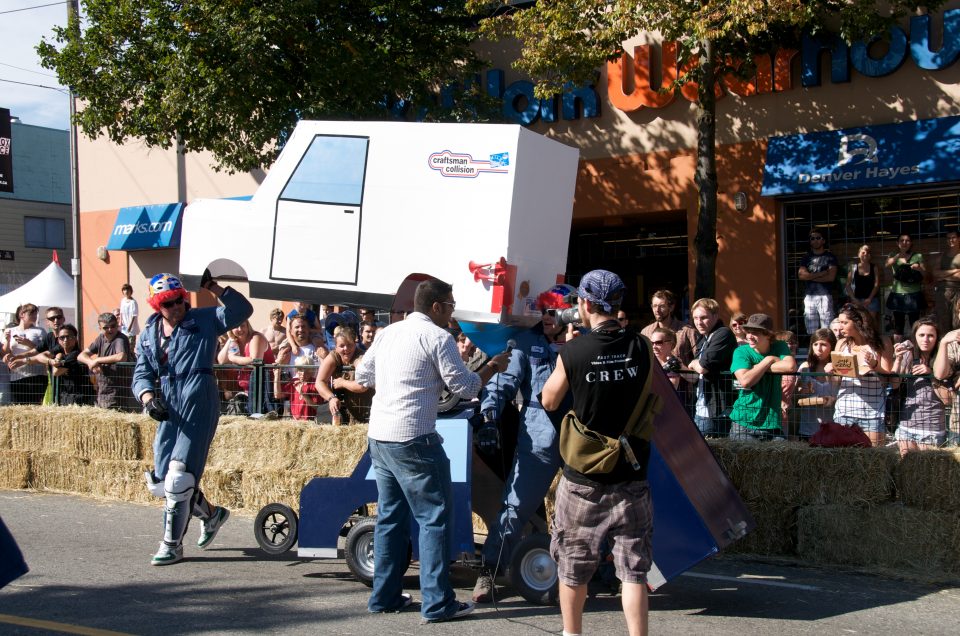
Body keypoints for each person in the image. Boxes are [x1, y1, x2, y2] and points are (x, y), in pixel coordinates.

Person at [354, 277, 509, 622]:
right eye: (451, 306)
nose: (452, 314)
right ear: (436, 306)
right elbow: (466, 387)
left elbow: (363, 375)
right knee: (434, 518)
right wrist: (493, 367)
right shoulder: (439, 337)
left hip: (380, 436)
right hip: (415, 438)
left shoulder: (387, 333)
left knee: (390, 518)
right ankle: (438, 603)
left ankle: (385, 596)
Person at [540, 269, 654, 636]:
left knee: (573, 566)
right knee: (633, 570)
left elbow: (549, 399)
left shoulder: (574, 351)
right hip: (632, 470)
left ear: (586, 304)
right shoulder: (642, 346)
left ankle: (572, 634)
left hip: (584, 478)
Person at [133, 271, 253, 566]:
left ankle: (171, 545)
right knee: (161, 483)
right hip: (168, 403)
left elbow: (242, 310)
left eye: (179, 301)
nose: (176, 307)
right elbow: (141, 374)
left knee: (179, 478)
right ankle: (212, 515)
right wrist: (149, 400)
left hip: (199, 396)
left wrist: (211, 287)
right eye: (168, 303)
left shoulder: (203, 318)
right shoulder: (149, 335)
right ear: (157, 305)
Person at [472, 284, 573, 603]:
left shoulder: (585, 343)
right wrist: (488, 417)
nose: (547, 317)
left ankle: (597, 571)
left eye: (554, 311)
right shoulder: (526, 343)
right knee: (514, 509)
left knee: (592, 511)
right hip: (538, 442)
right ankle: (489, 571)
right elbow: (502, 383)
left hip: (583, 442)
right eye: (542, 310)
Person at [831, 303, 894, 447]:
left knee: (874, 458)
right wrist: (832, 370)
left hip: (872, 410)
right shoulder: (841, 344)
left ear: (859, 323)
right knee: (843, 456)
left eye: (844, 323)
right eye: (839, 322)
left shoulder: (882, 341)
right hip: (845, 409)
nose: (840, 327)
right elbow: (836, 381)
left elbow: (888, 371)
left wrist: (873, 364)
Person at [728, 315, 797, 441]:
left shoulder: (779, 346)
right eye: (748, 332)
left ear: (768, 335)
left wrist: (755, 368)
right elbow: (745, 381)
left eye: (754, 333)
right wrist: (768, 360)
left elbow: (791, 367)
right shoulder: (741, 352)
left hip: (773, 422)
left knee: (779, 458)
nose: (749, 336)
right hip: (745, 422)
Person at [892, 318, 950, 456]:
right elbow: (894, 384)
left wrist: (931, 374)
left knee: (926, 473)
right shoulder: (909, 355)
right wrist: (898, 359)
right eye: (921, 335)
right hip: (906, 424)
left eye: (930, 336)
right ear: (915, 337)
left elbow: (947, 400)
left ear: (937, 338)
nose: (926, 339)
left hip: (932, 427)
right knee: (906, 470)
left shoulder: (942, 359)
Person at [687, 298, 738, 436]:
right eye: (695, 318)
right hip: (700, 408)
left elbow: (703, 367)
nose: (698, 322)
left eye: (703, 317)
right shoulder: (704, 337)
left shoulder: (723, 333)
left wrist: (692, 363)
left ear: (715, 316)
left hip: (718, 411)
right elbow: (695, 377)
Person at [218, 319, 276, 415]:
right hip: (247, 391)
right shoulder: (235, 341)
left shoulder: (256, 337)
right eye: (236, 326)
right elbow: (221, 360)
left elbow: (255, 360)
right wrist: (231, 339)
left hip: (265, 389)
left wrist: (233, 358)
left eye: (243, 325)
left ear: (248, 325)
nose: (240, 329)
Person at [315, 325, 371, 425]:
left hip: (364, 413)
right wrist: (331, 398)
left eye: (349, 345)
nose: (346, 349)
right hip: (343, 414)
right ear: (336, 347)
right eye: (342, 346)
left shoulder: (360, 356)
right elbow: (319, 382)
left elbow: (362, 386)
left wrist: (343, 382)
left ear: (355, 344)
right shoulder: (334, 355)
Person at [78, 312, 133, 410]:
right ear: (99, 328)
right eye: (106, 328)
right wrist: (91, 362)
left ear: (117, 325)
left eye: (113, 326)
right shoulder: (100, 338)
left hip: (118, 391)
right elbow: (81, 356)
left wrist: (98, 360)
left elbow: (121, 356)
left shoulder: (121, 338)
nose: (110, 330)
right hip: (102, 389)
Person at [35, 323, 93, 406]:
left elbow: (56, 372)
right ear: (58, 340)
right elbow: (39, 356)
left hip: (80, 397)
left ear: (75, 339)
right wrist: (50, 361)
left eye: (69, 337)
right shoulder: (59, 349)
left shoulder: (75, 354)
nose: (65, 340)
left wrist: (58, 357)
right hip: (65, 395)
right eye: (62, 337)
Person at [796, 328, 837, 439]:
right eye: (815, 344)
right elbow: (796, 396)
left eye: (823, 344)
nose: (819, 349)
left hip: (833, 428)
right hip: (808, 429)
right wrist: (802, 391)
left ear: (832, 346)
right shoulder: (805, 367)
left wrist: (833, 399)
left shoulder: (838, 368)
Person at [2, 304, 47, 404]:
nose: (35, 316)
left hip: (36, 374)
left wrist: (28, 343)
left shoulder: (40, 331)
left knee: (34, 405)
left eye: (36, 314)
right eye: (32, 313)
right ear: (22, 314)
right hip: (16, 375)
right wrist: (7, 341)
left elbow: (45, 351)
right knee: (19, 406)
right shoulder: (10, 330)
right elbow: (5, 353)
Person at [885, 233, 926, 340]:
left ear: (911, 243)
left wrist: (919, 268)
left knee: (915, 324)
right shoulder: (893, 254)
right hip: (898, 294)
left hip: (914, 294)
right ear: (897, 243)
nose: (904, 243)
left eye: (907, 240)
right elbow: (887, 264)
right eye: (902, 240)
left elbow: (926, 273)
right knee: (898, 325)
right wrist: (898, 256)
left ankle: (916, 351)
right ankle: (898, 351)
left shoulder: (918, 256)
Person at [639, 290, 696, 365]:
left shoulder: (688, 331)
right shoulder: (646, 332)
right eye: (654, 306)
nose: (657, 310)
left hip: (681, 375)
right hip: (656, 375)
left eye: (662, 306)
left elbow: (698, 359)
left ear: (671, 307)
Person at [798, 231, 839, 335]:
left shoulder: (830, 257)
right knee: (811, 327)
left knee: (827, 327)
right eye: (812, 238)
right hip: (809, 296)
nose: (815, 240)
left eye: (818, 238)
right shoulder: (806, 257)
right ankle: (813, 349)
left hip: (824, 294)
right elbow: (801, 276)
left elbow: (831, 277)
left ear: (823, 240)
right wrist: (822, 273)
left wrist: (810, 277)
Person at [273, 354, 321, 421]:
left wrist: (303, 394)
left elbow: (317, 408)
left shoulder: (316, 383)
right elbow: (277, 395)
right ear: (297, 370)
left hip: (311, 422)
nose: (303, 373)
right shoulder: (294, 382)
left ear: (311, 370)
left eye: (307, 370)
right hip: (295, 422)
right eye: (300, 369)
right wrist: (277, 375)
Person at [845, 245, 881, 326]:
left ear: (870, 255)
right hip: (857, 300)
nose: (865, 254)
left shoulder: (874, 267)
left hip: (871, 300)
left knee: (872, 321)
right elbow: (847, 285)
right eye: (863, 252)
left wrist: (869, 298)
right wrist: (853, 299)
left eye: (867, 253)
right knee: (858, 322)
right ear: (858, 254)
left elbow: (876, 284)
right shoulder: (854, 267)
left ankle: (873, 338)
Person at [934, 231, 960, 337]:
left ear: (959, 239)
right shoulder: (942, 256)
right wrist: (955, 271)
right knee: (943, 321)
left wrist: (943, 276)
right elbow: (935, 273)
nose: (951, 240)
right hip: (942, 292)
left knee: (957, 321)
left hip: (958, 291)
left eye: (953, 237)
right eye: (948, 238)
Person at [119, 283, 140, 348]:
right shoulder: (123, 300)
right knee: (124, 344)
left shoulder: (133, 302)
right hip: (124, 326)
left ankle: (132, 357)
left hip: (131, 327)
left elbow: (134, 315)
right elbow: (121, 311)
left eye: (127, 290)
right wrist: (120, 321)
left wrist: (130, 326)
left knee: (130, 345)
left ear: (131, 291)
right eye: (124, 290)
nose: (126, 292)